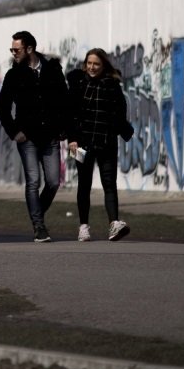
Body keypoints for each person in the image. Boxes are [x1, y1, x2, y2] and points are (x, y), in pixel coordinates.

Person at [0, 31, 71, 242]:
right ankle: (39, 226)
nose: (13, 53)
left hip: (50, 137)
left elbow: (64, 102)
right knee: (33, 181)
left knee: (54, 182)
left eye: (16, 49)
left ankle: (36, 212)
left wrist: (63, 128)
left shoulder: (53, 70)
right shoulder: (14, 75)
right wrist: (14, 131)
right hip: (27, 138)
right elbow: (2, 107)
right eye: (12, 49)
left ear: (29, 49)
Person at [66, 48, 135, 242]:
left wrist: (117, 128)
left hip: (106, 142)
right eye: (89, 63)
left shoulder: (112, 85)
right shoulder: (77, 83)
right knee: (84, 185)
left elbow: (121, 111)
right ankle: (83, 227)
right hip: (81, 144)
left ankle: (114, 224)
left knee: (109, 184)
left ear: (103, 65)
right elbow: (69, 114)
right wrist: (72, 138)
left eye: (96, 64)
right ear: (85, 64)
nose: (92, 67)